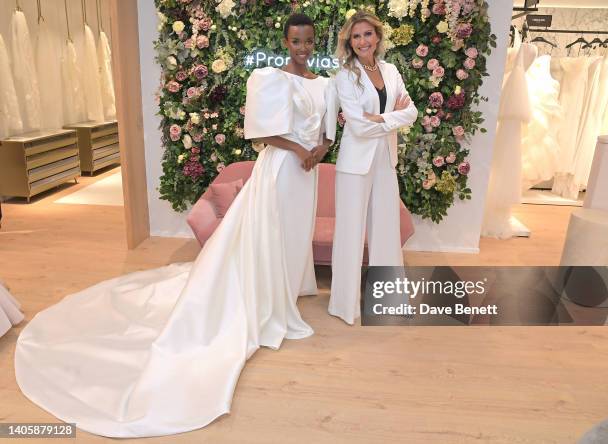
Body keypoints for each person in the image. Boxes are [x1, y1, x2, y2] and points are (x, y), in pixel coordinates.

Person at [14, 13, 335, 438]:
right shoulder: (268, 78)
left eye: (309, 41)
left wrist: (319, 150)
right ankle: (268, 300)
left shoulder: (323, 83)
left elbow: (329, 129)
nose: (303, 47)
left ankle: (287, 289)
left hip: (305, 174)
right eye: (296, 40)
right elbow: (261, 132)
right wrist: (298, 149)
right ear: (285, 39)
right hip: (279, 169)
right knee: (270, 234)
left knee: (294, 234)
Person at [328, 10, 418, 325]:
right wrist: (390, 118)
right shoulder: (345, 75)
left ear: (377, 36)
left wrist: (379, 118)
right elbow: (357, 126)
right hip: (354, 163)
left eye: (368, 34)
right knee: (350, 233)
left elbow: (413, 112)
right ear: (349, 42)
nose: (363, 40)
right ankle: (344, 305)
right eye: (356, 36)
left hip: (385, 159)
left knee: (386, 230)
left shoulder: (391, 71)